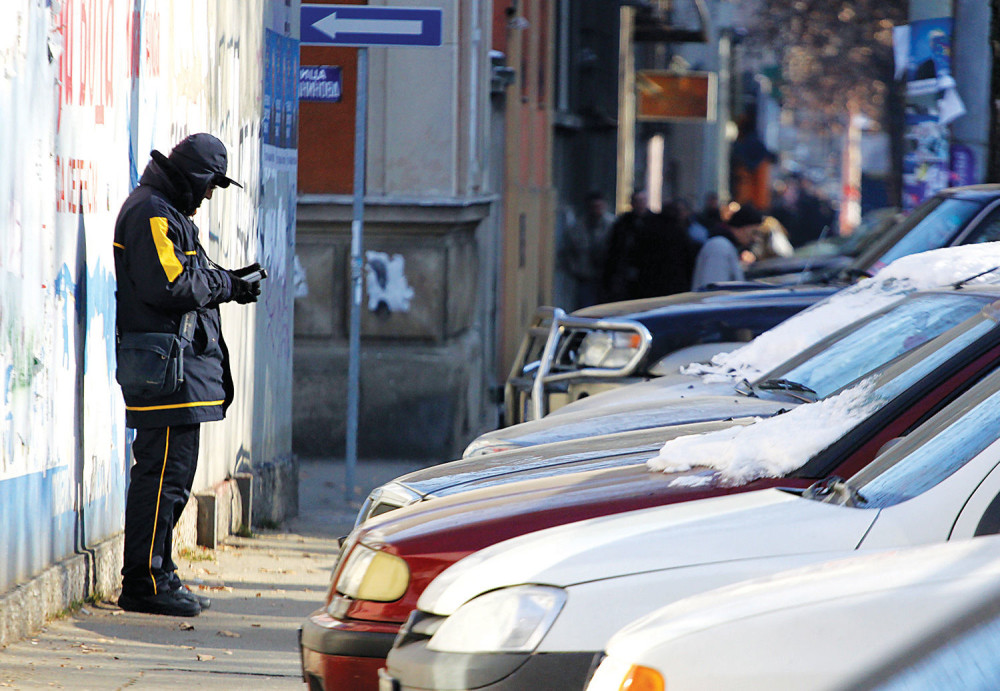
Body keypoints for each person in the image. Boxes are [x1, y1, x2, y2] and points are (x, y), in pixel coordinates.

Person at [113, 133, 262, 617]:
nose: (209, 196)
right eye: (210, 186)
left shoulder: (167, 212)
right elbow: (171, 282)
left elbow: (185, 273)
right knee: (161, 477)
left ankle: (160, 571)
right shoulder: (152, 213)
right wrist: (227, 286)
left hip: (174, 369)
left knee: (171, 478)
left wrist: (230, 281)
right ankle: (144, 581)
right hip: (164, 372)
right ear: (195, 178)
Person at [557, 190, 615, 309]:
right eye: (594, 207)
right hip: (585, 277)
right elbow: (566, 251)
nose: (596, 210)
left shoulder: (613, 225)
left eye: (599, 206)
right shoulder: (577, 228)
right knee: (585, 309)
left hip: (607, 277)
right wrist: (574, 269)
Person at [691, 204, 763, 290]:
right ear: (740, 228)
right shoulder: (719, 247)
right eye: (753, 232)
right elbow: (714, 290)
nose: (754, 239)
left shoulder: (724, 246)